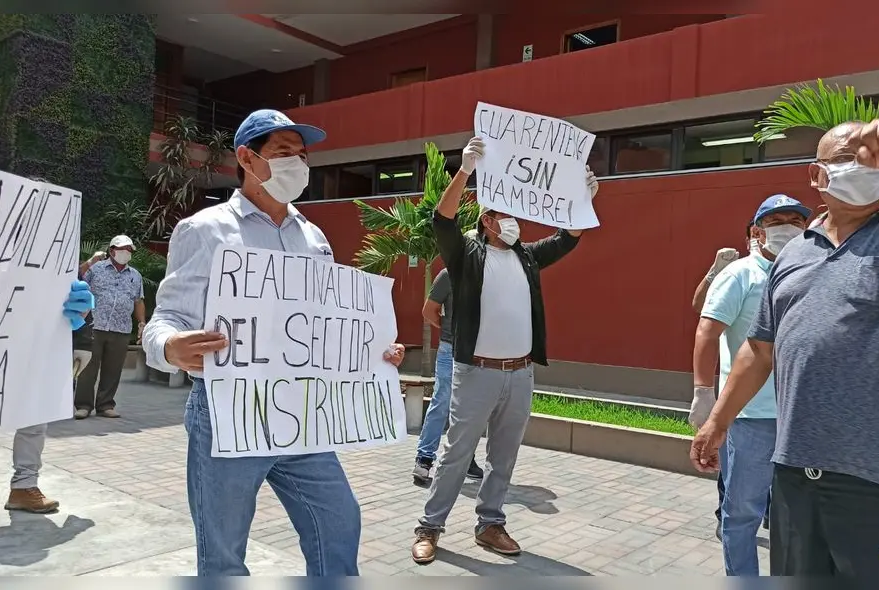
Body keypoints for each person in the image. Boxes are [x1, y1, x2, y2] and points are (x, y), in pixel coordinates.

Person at [691, 118, 879, 576]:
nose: (861, 166)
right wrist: (717, 420)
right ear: (817, 175)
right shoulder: (793, 253)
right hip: (795, 476)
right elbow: (759, 348)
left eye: (872, 157)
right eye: (846, 159)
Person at [143, 109, 406, 577]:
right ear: (247, 157)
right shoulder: (205, 230)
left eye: (302, 155)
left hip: (301, 415)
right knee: (223, 549)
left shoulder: (314, 236)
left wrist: (374, 354)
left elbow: (325, 325)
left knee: (339, 520)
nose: (297, 165)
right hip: (229, 414)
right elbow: (164, 318)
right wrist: (170, 347)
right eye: (283, 153)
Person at [411, 136, 599, 565]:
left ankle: (490, 524)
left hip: (520, 374)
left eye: (514, 213)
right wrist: (465, 171)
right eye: (501, 213)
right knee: (458, 453)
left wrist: (582, 199)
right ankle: (430, 526)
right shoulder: (466, 256)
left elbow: (568, 238)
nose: (511, 221)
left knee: (504, 455)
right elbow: (443, 221)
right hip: (477, 372)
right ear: (485, 222)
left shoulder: (528, 257)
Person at [692, 194, 810, 576]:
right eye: (779, 221)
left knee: (797, 518)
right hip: (751, 418)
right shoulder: (740, 273)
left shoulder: (810, 269)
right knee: (742, 513)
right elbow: (707, 332)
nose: (789, 227)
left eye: (796, 220)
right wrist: (703, 395)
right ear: (758, 232)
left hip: (799, 417)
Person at [690, 221, 760, 540]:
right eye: (757, 231)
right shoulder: (737, 273)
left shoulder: (793, 268)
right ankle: (727, 515)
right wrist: (713, 271)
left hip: (782, 393)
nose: (764, 235)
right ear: (748, 239)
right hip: (737, 393)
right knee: (732, 466)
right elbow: (699, 308)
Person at [6, 279, 94, 513]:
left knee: (34, 415)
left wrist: (82, 331)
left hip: (34, 343)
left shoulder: (46, 247)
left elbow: (63, 285)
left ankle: (24, 486)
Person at [412, 266, 484, 485]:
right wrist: (449, 329)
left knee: (470, 408)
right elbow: (428, 311)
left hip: (478, 353)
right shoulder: (448, 274)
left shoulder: (488, 275)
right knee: (442, 401)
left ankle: (465, 459)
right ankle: (424, 459)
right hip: (450, 349)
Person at [75, 235, 145, 419]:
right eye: (122, 248)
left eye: (129, 249)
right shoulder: (96, 269)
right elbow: (77, 278)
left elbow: (138, 301)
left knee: (113, 369)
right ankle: (83, 405)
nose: (126, 252)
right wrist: (89, 262)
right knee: (88, 368)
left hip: (121, 328)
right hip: (94, 325)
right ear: (112, 250)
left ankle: (105, 405)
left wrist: (142, 323)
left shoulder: (135, 276)